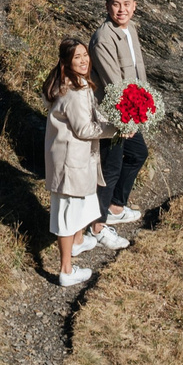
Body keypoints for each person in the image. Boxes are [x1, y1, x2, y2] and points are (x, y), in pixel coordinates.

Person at [42, 37, 110, 287]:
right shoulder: (75, 91)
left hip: (68, 157)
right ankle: (65, 270)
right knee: (67, 214)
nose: (83, 60)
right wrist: (114, 129)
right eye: (77, 57)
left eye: (85, 55)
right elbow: (84, 128)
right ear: (66, 62)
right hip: (71, 160)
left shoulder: (69, 83)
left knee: (80, 203)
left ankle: (79, 242)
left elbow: (90, 115)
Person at [91, 0, 149, 228]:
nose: (121, 9)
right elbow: (114, 85)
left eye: (126, 4)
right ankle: (97, 225)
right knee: (110, 168)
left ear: (134, 6)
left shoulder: (130, 29)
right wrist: (128, 118)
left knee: (137, 154)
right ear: (107, 6)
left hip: (132, 111)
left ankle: (115, 207)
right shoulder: (103, 38)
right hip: (113, 114)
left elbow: (137, 72)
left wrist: (143, 106)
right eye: (116, 5)